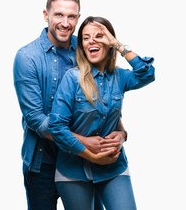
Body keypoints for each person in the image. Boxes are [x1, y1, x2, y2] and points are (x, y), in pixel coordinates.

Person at [13, 0, 126, 210]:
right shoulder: (27, 58)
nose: (65, 22)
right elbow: (36, 118)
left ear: (78, 18)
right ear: (46, 15)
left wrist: (121, 132)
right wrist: (85, 143)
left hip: (81, 163)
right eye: (59, 15)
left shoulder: (87, 47)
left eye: (71, 16)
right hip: (44, 162)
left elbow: (106, 96)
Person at [48, 16, 155, 210]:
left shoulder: (120, 77)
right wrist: (91, 155)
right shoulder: (72, 79)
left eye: (99, 36)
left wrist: (118, 45)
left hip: (113, 168)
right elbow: (56, 127)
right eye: (86, 38)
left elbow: (147, 74)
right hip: (73, 170)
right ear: (81, 45)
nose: (92, 41)